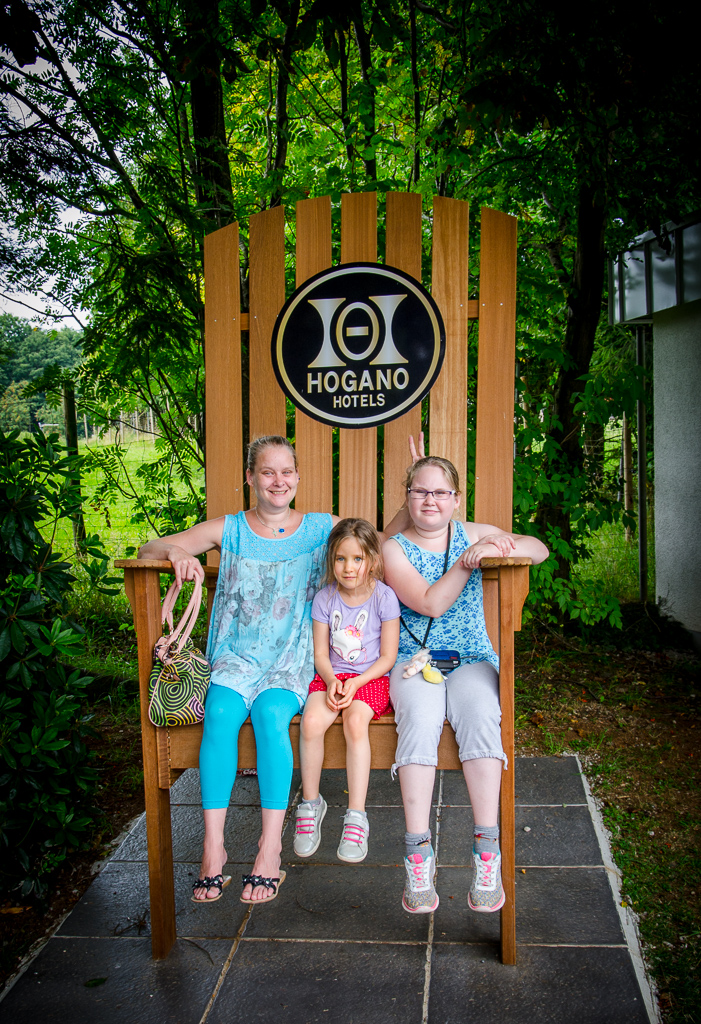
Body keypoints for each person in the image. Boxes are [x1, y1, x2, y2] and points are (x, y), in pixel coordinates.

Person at [383, 450, 549, 915]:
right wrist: (465, 562)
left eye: (440, 492)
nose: (430, 500)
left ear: (456, 499)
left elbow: (538, 548)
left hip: (471, 657)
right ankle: (418, 852)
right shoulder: (393, 549)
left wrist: (497, 545)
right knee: (420, 717)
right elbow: (430, 603)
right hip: (414, 660)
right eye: (420, 491)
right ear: (407, 498)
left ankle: (486, 848)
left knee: (480, 713)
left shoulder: (471, 533)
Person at [294, 519, 400, 864]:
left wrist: (357, 681)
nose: (348, 567)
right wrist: (331, 681)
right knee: (311, 722)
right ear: (331, 560)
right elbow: (321, 655)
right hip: (332, 677)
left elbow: (388, 657)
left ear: (373, 560)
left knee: (355, 723)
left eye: (357, 559)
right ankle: (311, 803)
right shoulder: (325, 598)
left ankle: (356, 815)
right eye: (341, 559)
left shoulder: (384, 597)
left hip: (371, 678)